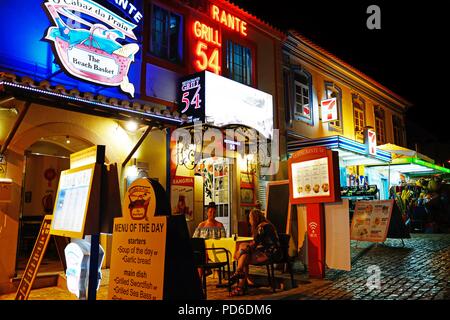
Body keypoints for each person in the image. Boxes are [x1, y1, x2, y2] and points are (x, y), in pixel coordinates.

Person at [229, 209, 281, 296]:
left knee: (244, 255)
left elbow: (254, 245)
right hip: (269, 251)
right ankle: (240, 275)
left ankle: (240, 280)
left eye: (250, 218)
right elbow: (256, 244)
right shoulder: (266, 225)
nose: (249, 221)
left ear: (255, 218)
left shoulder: (262, 227)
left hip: (271, 253)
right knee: (244, 251)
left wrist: (240, 252)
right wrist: (243, 250)